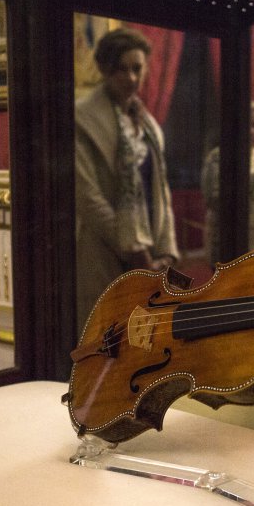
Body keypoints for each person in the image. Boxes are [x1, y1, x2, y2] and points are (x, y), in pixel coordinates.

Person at [74, 28, 179, 326]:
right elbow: (87, 197)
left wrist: (166, 251)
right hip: (103, 250)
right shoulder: (82, 119)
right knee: (107, 336)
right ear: (106, 70)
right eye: (122, 69)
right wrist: (133, 251)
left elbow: (160, 192)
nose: (132, 78)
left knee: (144, 339)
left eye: (138, 68)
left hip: (149, 252)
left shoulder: (147, 125)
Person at [201, 101, 254, 265]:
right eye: (247, 125)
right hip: (234, 245)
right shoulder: (220, 157)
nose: (252, 130)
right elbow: (216, 200)